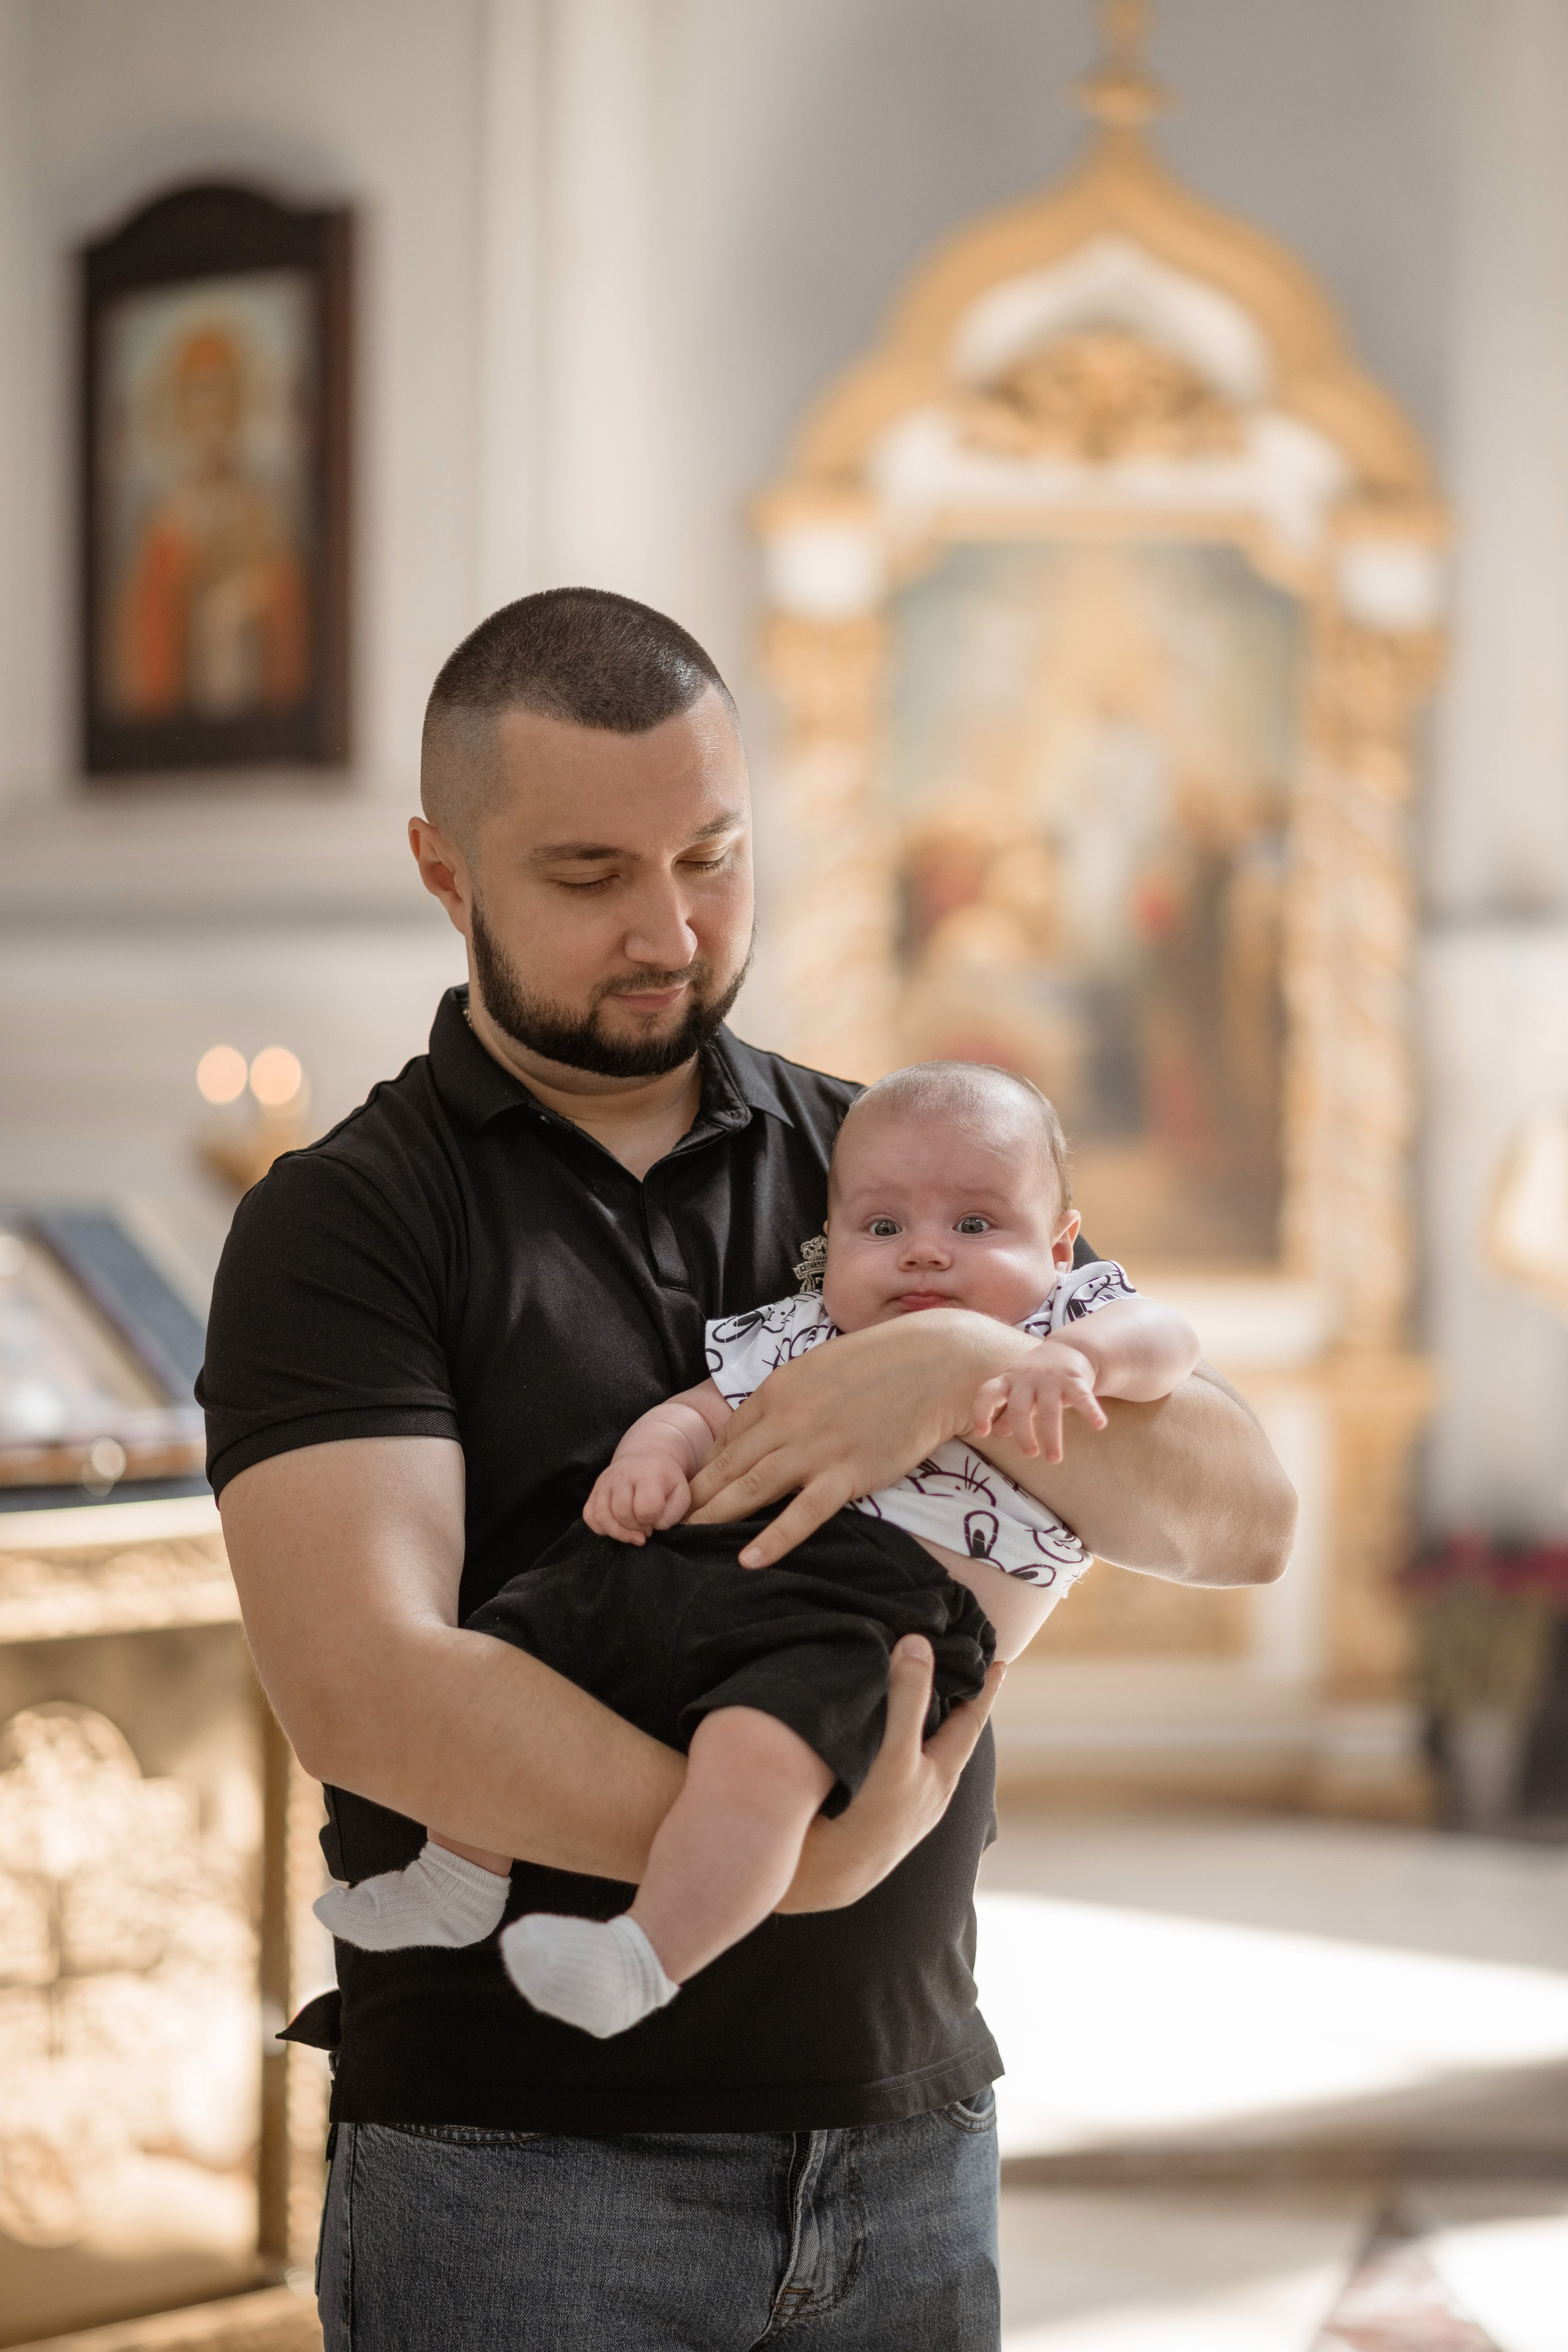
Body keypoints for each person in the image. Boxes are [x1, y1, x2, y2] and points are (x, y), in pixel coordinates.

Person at [202, 587, 1297, 2351]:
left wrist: (949, 1362)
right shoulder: (349, 1222)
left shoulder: (893, 1174)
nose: (671, 928)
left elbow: (1243, 1520)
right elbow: (374, 1694)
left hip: (906, 2132)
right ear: (443, 867)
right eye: (589, 876)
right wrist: (806, 1855)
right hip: (521, 2168)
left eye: (713, 856)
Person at [314, 1061, 1200, 2042]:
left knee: (759, 1751)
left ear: (1062, 1245)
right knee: (538, 1630)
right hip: (718, 1561)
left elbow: (1170, 1340)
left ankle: (646, 1955)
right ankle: (459, 1872)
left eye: (975, 1226)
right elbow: (702, 1409)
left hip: (878, 1619)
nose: (924, 1257)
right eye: (883, 1228)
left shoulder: (1059, 1325)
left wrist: (1077, 1360)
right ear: (831, 1241)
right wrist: (653, 1459)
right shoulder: (806, 1329)